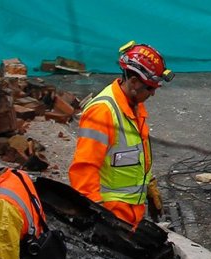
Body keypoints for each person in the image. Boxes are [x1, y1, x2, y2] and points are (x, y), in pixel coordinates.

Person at [68, 41, 173, 228]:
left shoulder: (134, 106)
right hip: (111, 220)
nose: (153, 94)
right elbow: (84, 172)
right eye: (149, 88)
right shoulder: (103, 112)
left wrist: (148, 184)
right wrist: (97, 219)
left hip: (129, 218)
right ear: (133, 82)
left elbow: (134, 155)